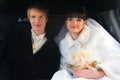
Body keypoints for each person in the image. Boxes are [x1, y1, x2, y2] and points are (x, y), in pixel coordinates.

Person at [51, 6, 120, 80]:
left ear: (84, 22)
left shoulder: (97, 34)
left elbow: (115, 58)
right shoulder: (63, 43)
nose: (74, 23)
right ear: (66, 22)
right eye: (70, 19)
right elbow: (63, 65)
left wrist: (100, 73)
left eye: (79, 20)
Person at [0, 3, 60, 80]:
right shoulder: (15, 33)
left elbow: (52, 72)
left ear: (46, 19)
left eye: (41, 17)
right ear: (29, 19)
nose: (37, 21)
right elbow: (2, 53)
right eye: (33, 17)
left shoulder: (53, 47)